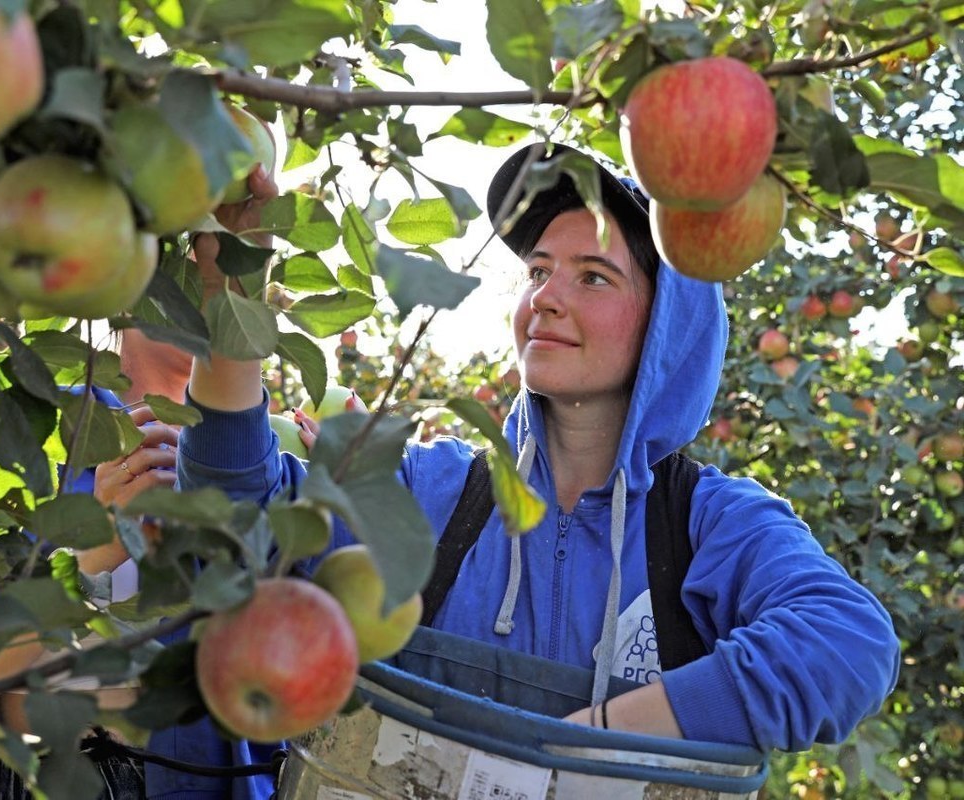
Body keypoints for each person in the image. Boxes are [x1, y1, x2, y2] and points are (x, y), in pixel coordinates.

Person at [175, 142, 900, 764]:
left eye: (593, 275)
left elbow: (849, 643)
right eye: (538, 271)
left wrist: (594, 737)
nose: (548, 297)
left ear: (667, 324)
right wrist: (228, 316)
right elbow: (237, 524)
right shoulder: (430, 492)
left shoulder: (708, 524)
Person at [0, 294, 288, 799]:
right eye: (190, 255)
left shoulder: (270, 462)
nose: (214, 293)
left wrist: (359, 505)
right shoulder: (29, 431)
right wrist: (87, 565)